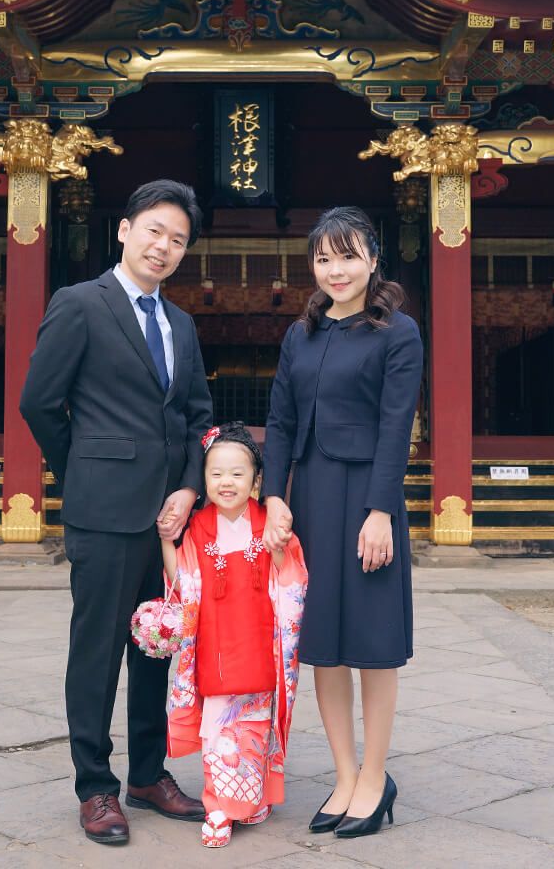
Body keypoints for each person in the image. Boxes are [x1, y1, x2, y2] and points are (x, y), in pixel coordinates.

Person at [20, 180, 213, 845]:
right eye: (155, 231)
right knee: (98, 652)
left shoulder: (179, 324)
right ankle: (95, 787)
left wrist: (189, 488)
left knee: (157, 648)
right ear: (126, 230)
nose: (164, 247)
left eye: (178, 240)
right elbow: (39, 402)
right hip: (103, 513)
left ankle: (149, 773)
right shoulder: (80, 304)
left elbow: (195, 418)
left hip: (168, 522)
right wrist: (82, 471)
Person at [261, 206, 423, 840]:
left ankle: (376, 778)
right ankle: (344, 774)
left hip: (367, 498)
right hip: (311, 500)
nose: (336, 270)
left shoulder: (397, 331)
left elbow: (396, 423)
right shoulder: (300, 334)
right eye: (324, 258)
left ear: (373, 259)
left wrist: (381, 509)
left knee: (373, 646)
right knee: (324, 645)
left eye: (348, 255)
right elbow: (278, 421)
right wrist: (275, 497)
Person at [160, 422, 307, 849]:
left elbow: (291, 581)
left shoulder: (268, 521)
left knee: (255, 727)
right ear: (203, 479)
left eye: (238, 474)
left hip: (260, 643)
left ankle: (251, 799)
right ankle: (219, 808)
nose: (226, 483)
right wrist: (167, 542)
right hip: (216, 646)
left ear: (257, 481)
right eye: (216, 473)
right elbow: (183, 584)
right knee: (219, 729)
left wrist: (278, 547)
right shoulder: (199, 526)